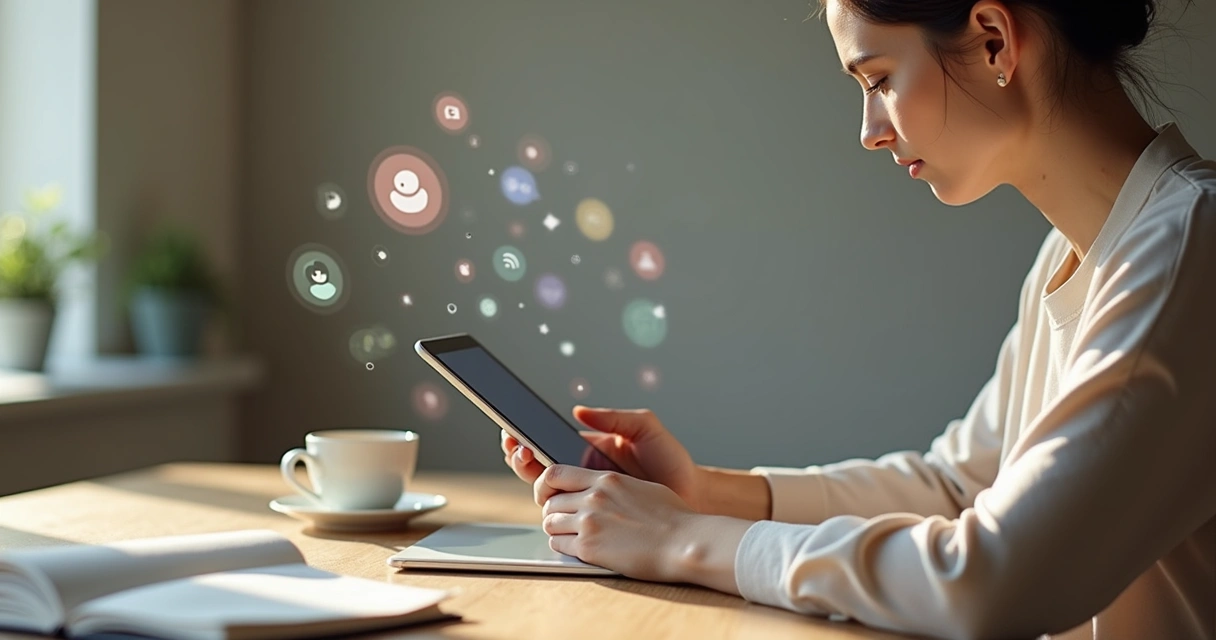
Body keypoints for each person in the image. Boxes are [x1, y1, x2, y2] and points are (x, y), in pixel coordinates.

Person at [501, 0, 1215, 637]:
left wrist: (682, 540)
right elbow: (960, 487)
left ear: (995, 40)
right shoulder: (1079, 253)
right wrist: (706, 493)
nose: (870, 132)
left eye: (877, 80)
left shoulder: (1192, 243)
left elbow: (995, 580)